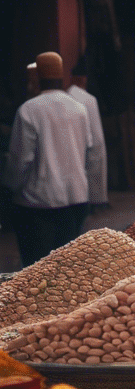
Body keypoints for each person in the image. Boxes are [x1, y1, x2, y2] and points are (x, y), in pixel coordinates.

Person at [4, 52, 103, 265]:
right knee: (65, 269)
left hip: (38, 205)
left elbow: (20, 160)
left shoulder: (29, 110)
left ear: (36, 77)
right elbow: (88, 150)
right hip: (75, 201)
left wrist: (9, 187)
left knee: (37, 269)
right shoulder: (79, 108)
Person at [66, 57, 107, 208]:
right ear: (83, 79)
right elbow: (97, 139)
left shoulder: (67, 96)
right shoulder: (89, 100)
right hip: (87, 143)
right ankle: (96, 200)